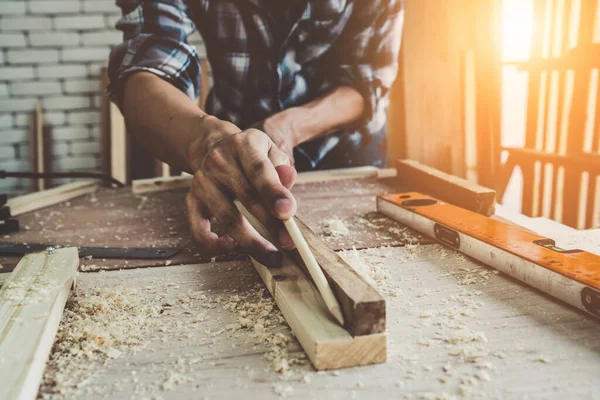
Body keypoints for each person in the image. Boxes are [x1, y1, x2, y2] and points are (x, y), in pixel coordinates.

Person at [108, 0, 403, 267]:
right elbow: (146, 67)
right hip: (236, 161)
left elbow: (369, 80)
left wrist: (286, 127)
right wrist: (206, 142)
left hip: (346, 156)